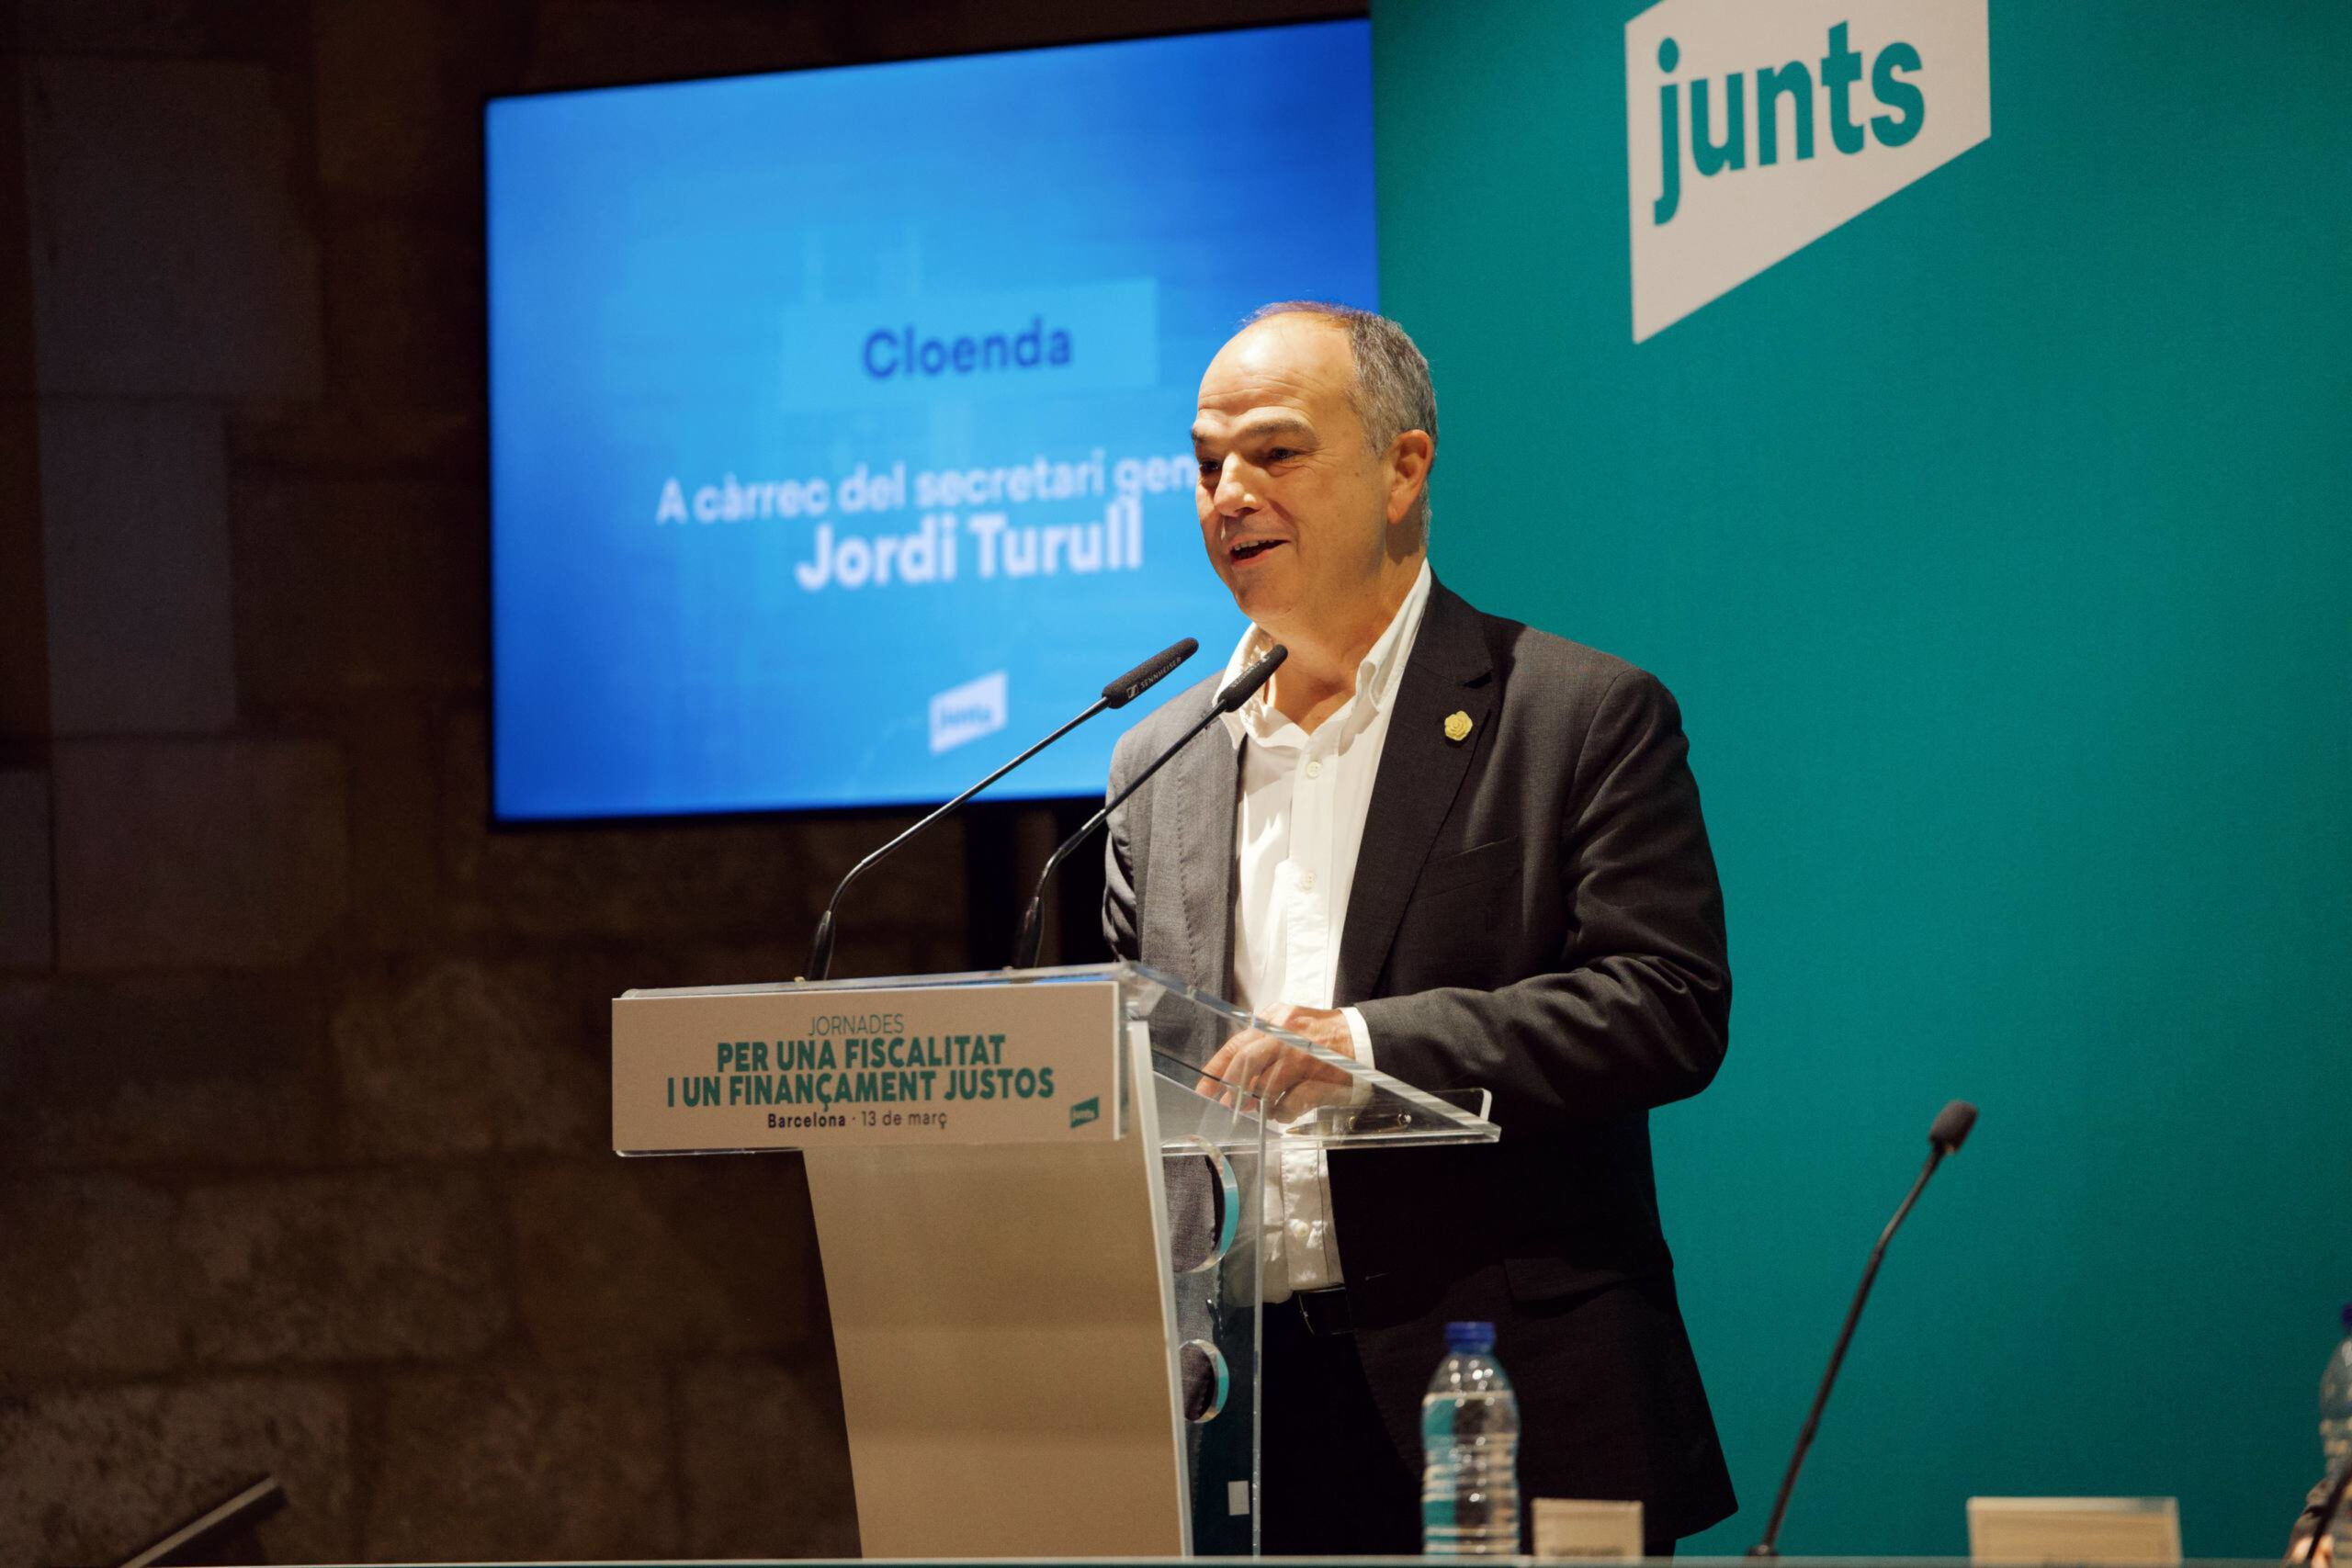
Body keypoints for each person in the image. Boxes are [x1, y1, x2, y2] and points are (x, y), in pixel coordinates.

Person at [1102, 302, 1736, 1555]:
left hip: (1498, 1394)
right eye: (1207, 464)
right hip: (1236, 1415)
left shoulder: (1575, 715)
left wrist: (1366, 1048)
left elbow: (1666, 1004)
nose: (1230, 494)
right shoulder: (1155, 763)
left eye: (1276, 453)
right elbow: (1142, 1067)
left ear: (1403, 468)